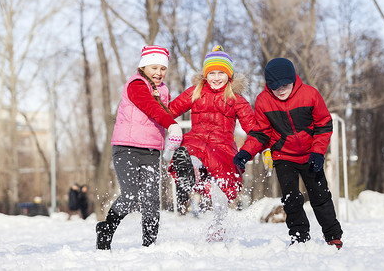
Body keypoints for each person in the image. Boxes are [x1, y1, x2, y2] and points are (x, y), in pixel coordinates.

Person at [233, 58, 343, 249]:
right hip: (283, 156)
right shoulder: (263, 101)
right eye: (276, 87)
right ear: (269, 85)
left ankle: (333, 235)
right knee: (291, 198)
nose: (281, 90)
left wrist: (318, 152)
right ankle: (299, 235)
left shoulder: (310, 95)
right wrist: (245, 153)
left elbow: (324, 124)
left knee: (320, 195)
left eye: (285, 85)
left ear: (293, 79)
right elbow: (260, 133)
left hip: (311, 155)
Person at [96, 45, 183, 250]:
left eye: (162, 69)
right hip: (126, 148)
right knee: (131, 194)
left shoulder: (163, 90)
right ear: (143, 67)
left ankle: (149, 245)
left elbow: (167, 112)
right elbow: (151, 107)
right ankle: (106, 229)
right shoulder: (136, 84)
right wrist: (171, 124)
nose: (159, 73)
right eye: (154, 68)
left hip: (152, 150)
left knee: (152, 199)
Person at [168, 45, 255, 242]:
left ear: (229, 76)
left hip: (222, 147)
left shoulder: (237, 99)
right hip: (196, 140)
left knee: (220, 188)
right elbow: (169, 111)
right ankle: (192, 170)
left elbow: (253, 129)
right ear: (205, 75)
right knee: (189, 152)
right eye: (212, 73)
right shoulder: (195, 92)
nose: (216, 78)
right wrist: (155, 107)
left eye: (221, 73)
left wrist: (261, 147)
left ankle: (218, 225)